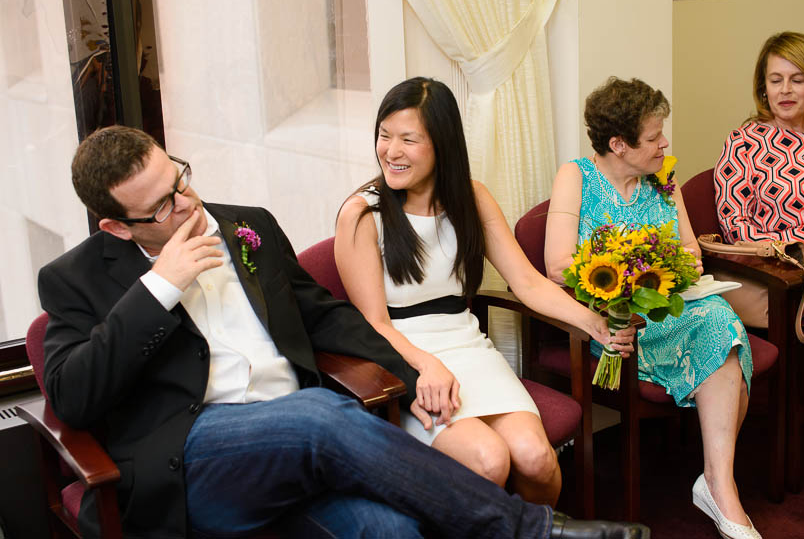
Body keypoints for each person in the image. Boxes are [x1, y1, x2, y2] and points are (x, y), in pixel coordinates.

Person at [40, 125, 651, 539]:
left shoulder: (246, 226)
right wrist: (160, 287)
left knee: (395, 531)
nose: (188, 203)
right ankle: (534, 531)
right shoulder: (75, 279)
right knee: (317, 416)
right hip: (197, 463)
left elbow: (326, 315)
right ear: (117, 227)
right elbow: (72, 394)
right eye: (163, 207)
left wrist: (415, 374)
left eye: (180, 179)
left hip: (307, 449)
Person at [335, 77, 635, 506]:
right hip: (407, 361)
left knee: (536, 459)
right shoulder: (363, 213)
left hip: (468, 346)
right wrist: (426, 368)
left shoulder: (471, 198)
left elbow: (527, 281)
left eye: (408, 139)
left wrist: (595, 323)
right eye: (384, 136)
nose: (391, 151)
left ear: (442, 144)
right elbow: (373, 323)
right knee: (489, 461)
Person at [544, 78, 760, 539]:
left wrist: (662, 269)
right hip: (611, 326)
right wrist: (632, 273)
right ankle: (718, 487)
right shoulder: (576, 177)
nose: (665, 144)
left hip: (670, 313)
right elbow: (558, 267)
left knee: (722, 323)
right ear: (618, 145)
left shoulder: (664, 178)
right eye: (653, 137)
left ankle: (719, 486)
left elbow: (690, 256)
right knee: (723, 331)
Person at [715, 31, 804, 326]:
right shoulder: (743, 143)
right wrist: (803, 255)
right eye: (776, 80)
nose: (785, 90)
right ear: (763, 88)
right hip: (792, 277)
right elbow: (735, 230)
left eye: (797, 80)